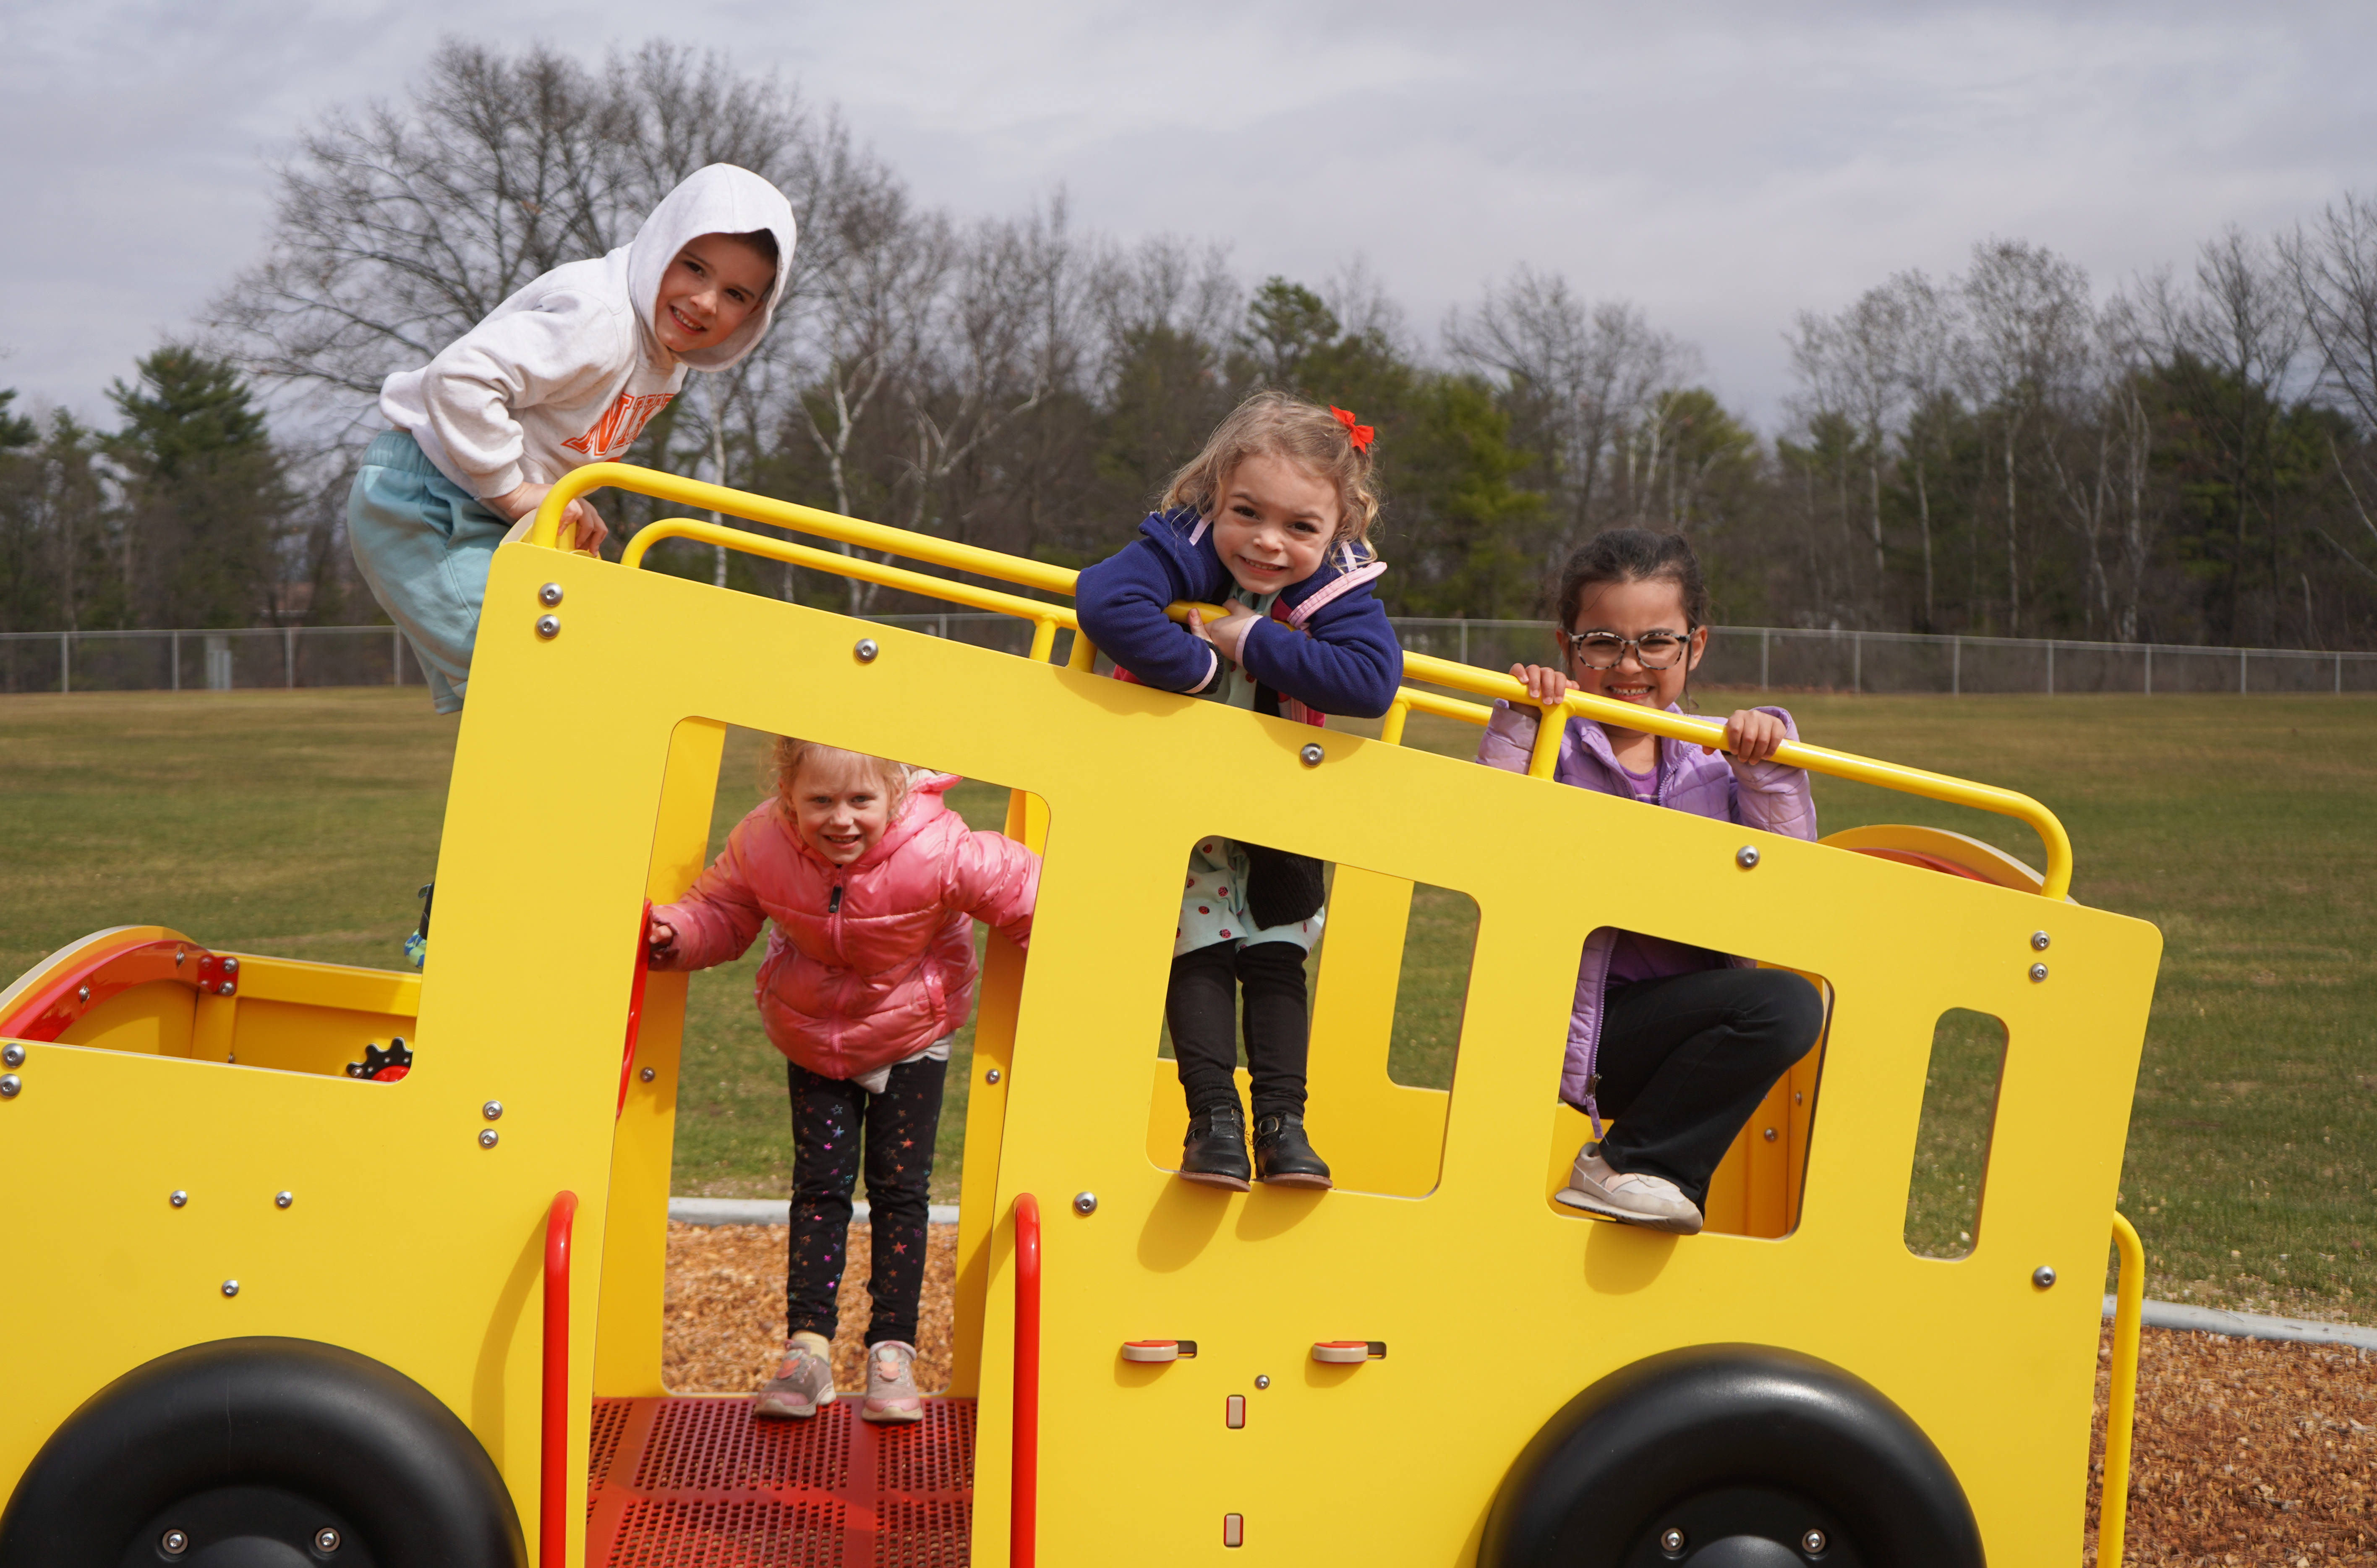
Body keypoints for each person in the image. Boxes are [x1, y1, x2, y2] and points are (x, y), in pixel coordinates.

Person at [645, 740, 1037, 1422]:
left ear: (897, 792)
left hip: (913, 1035)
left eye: (861, 801)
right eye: (820, 801)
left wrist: (1084, 954)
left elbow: (1027, 893)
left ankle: (892, 1352)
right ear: (788, 796)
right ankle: (808, 1353)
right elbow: (724, 909)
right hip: (811, 1033)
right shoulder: (764, 841)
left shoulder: (938, 847)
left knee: (899, 1191)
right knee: (820, 1190)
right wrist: (675, 934)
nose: (841, 820)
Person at [1075, 391, 1403, 1192]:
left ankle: (1285, 1127)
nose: (1266, 543)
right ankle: (1213, 1122)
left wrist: (1251, 636)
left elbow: (1372, 679)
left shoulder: (1339, 585)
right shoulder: (1180, 548)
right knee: (1196, 954)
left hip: (1277, 806)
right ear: (1213, 493)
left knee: (1279, 954)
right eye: (1246, 513)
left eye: (1300, 528)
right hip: (1180, 797)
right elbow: (1105, 600)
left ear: (1340, 530)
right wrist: (1199, 667)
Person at [350, 163, 796, 714]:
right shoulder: (600, 322)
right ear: (661, 246)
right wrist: (513, 490)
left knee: (571, 668)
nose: (705, 301)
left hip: (485, 506)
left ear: (755, 314)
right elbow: (459, 377)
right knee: (538, 679)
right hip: (426, 497)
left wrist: (558, 502)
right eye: (694, 268)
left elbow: (568, 438)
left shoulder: (664, 359)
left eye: (734, 294)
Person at [1478, 528, 1826, 1236]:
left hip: (1687, 1027)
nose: (1629, 665)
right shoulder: (1555, 737)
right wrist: (1519, 722)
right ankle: (1634, 1168)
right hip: (1577, 1020)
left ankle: (1635, 1170)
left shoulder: (1717, 757)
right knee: (1779, 1004)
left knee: (1786, 1004)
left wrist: (1767, 766)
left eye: (1656, 642)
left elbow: (1791, 880)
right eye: (1603, 641)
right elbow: (1488, 839)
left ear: (1694, 647)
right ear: (1566, 646)